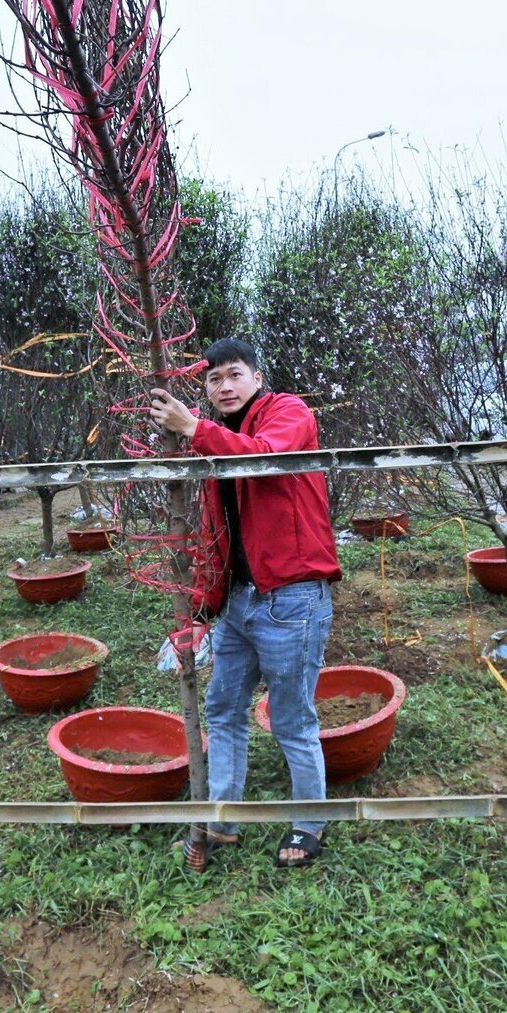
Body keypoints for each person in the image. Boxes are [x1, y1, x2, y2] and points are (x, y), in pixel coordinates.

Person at [147, 338, 342, 867]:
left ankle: (309, 825)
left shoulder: (288, 413)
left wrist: (194, 429)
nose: (225, 386)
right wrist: (202, 613)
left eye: (235, 374)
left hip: (293, 599)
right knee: (223, 708)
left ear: (257, 377)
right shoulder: (216, 440)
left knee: (292, 718)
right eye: (214, 379)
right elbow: (217, 536)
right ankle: (222, 820)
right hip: (239, 603)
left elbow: (267, 458)